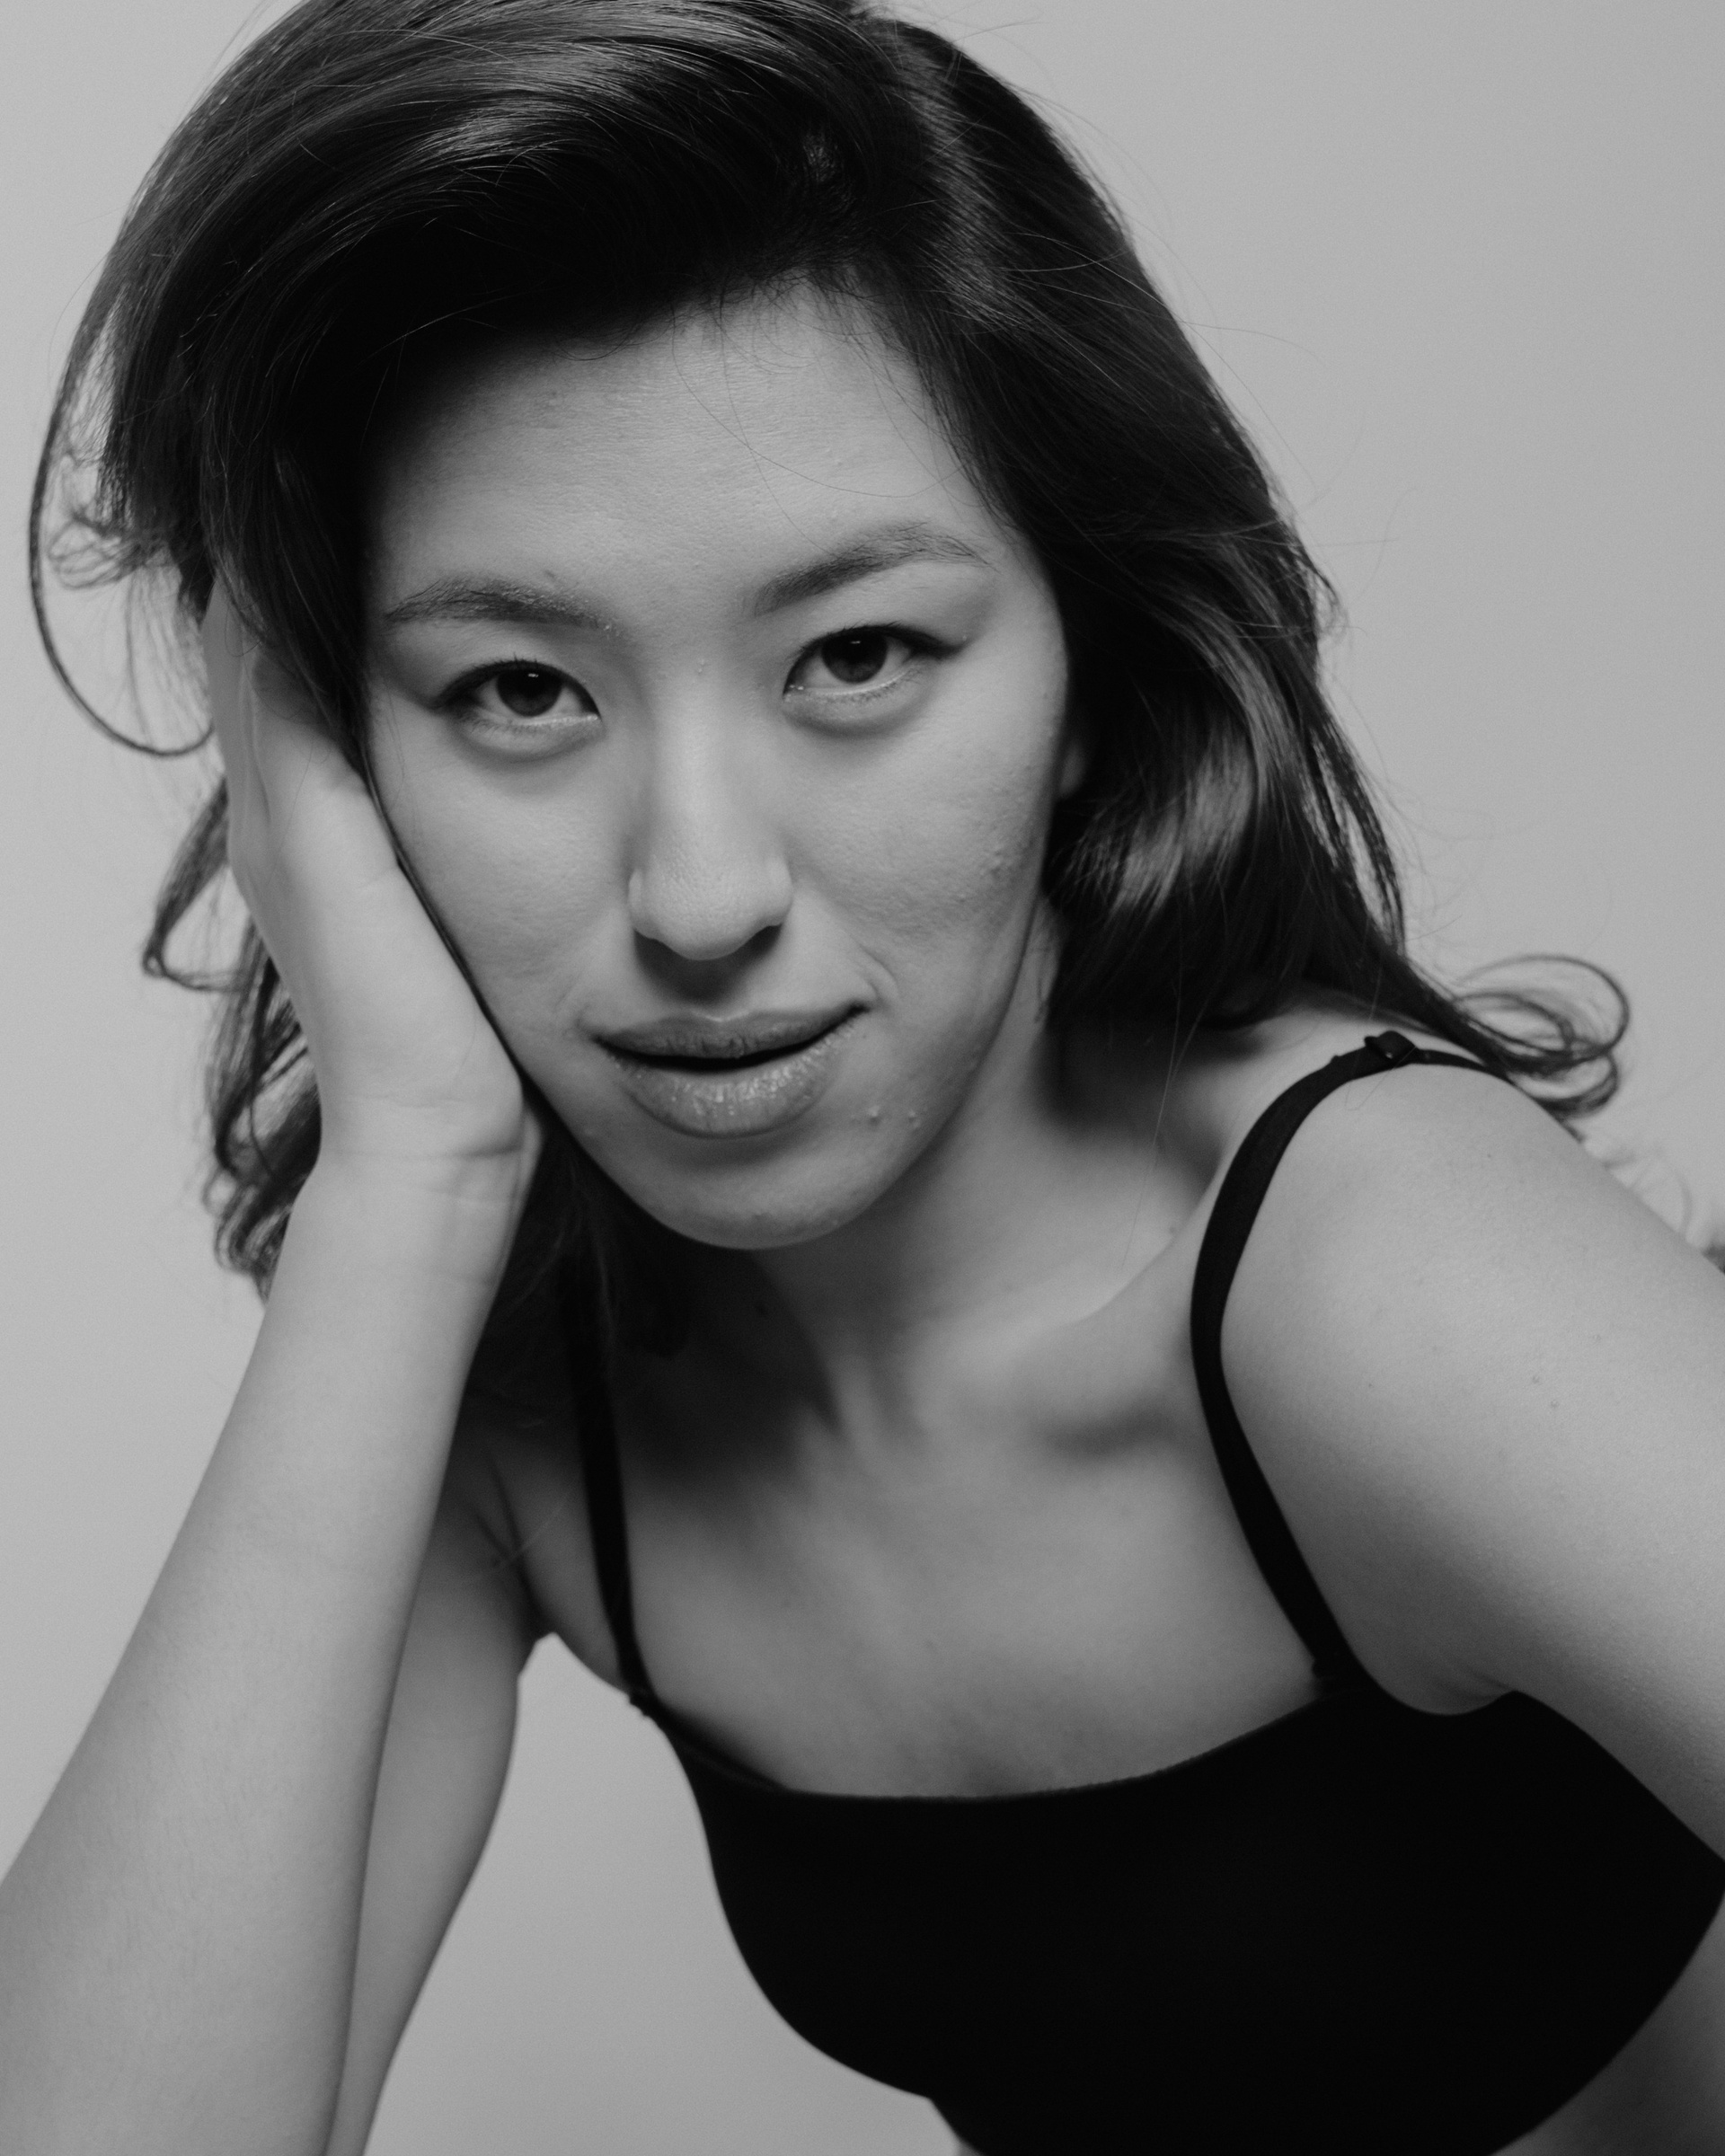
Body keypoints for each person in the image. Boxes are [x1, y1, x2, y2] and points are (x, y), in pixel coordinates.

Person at [5, 1, 1725, 2151]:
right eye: (520, 690)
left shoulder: (1371, 1266)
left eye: (857, 656)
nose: (701, 892)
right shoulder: (533, 1388)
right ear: (333, 755)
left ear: (1091, 670)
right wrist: (408, 1182)